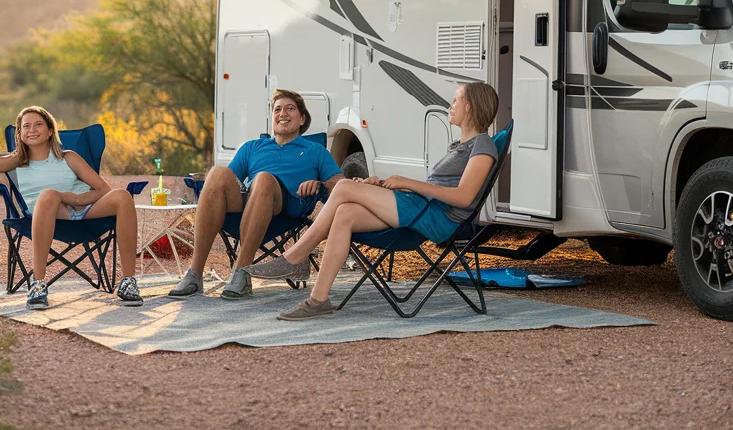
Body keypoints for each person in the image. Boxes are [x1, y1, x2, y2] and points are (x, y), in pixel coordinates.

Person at [247, 81, 500, 320]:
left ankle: (295, 257)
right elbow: (439, 188)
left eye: (456, 100)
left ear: (469, 106)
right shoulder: (461, 145)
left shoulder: (483, 145)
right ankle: (318, 301)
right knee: (345, 212)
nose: (450, 105)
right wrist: (384, 185)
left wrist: (407, 183)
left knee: (345, 186)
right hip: (422, 208)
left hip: (437, 219)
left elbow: (464, 197)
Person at [168, 89, 345, 300]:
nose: (283, 114)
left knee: (264, 179)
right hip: (249, 203)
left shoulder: (316, 151)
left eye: (290, 109)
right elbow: (225, 183)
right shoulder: (253, 147)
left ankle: (243, 272)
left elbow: (340, 183)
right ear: (272, 118)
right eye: (277, 109)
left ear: (302, 119)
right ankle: (195, 274)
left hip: (286, 207)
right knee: (217, 172)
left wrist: (318, 183)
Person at [0, 105, 142, 310]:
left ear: (49, 131)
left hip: (86, 211)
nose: (32, 130)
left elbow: (103, 189)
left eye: (38, 124)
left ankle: (128, 282)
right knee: (48, 195)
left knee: (123, 196)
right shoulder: (14, 163)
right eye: (25, 127)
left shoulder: (68, 157)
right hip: (47, 214)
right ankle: (38, 285)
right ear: (19, 134)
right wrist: (11, 153)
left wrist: (77, 200)